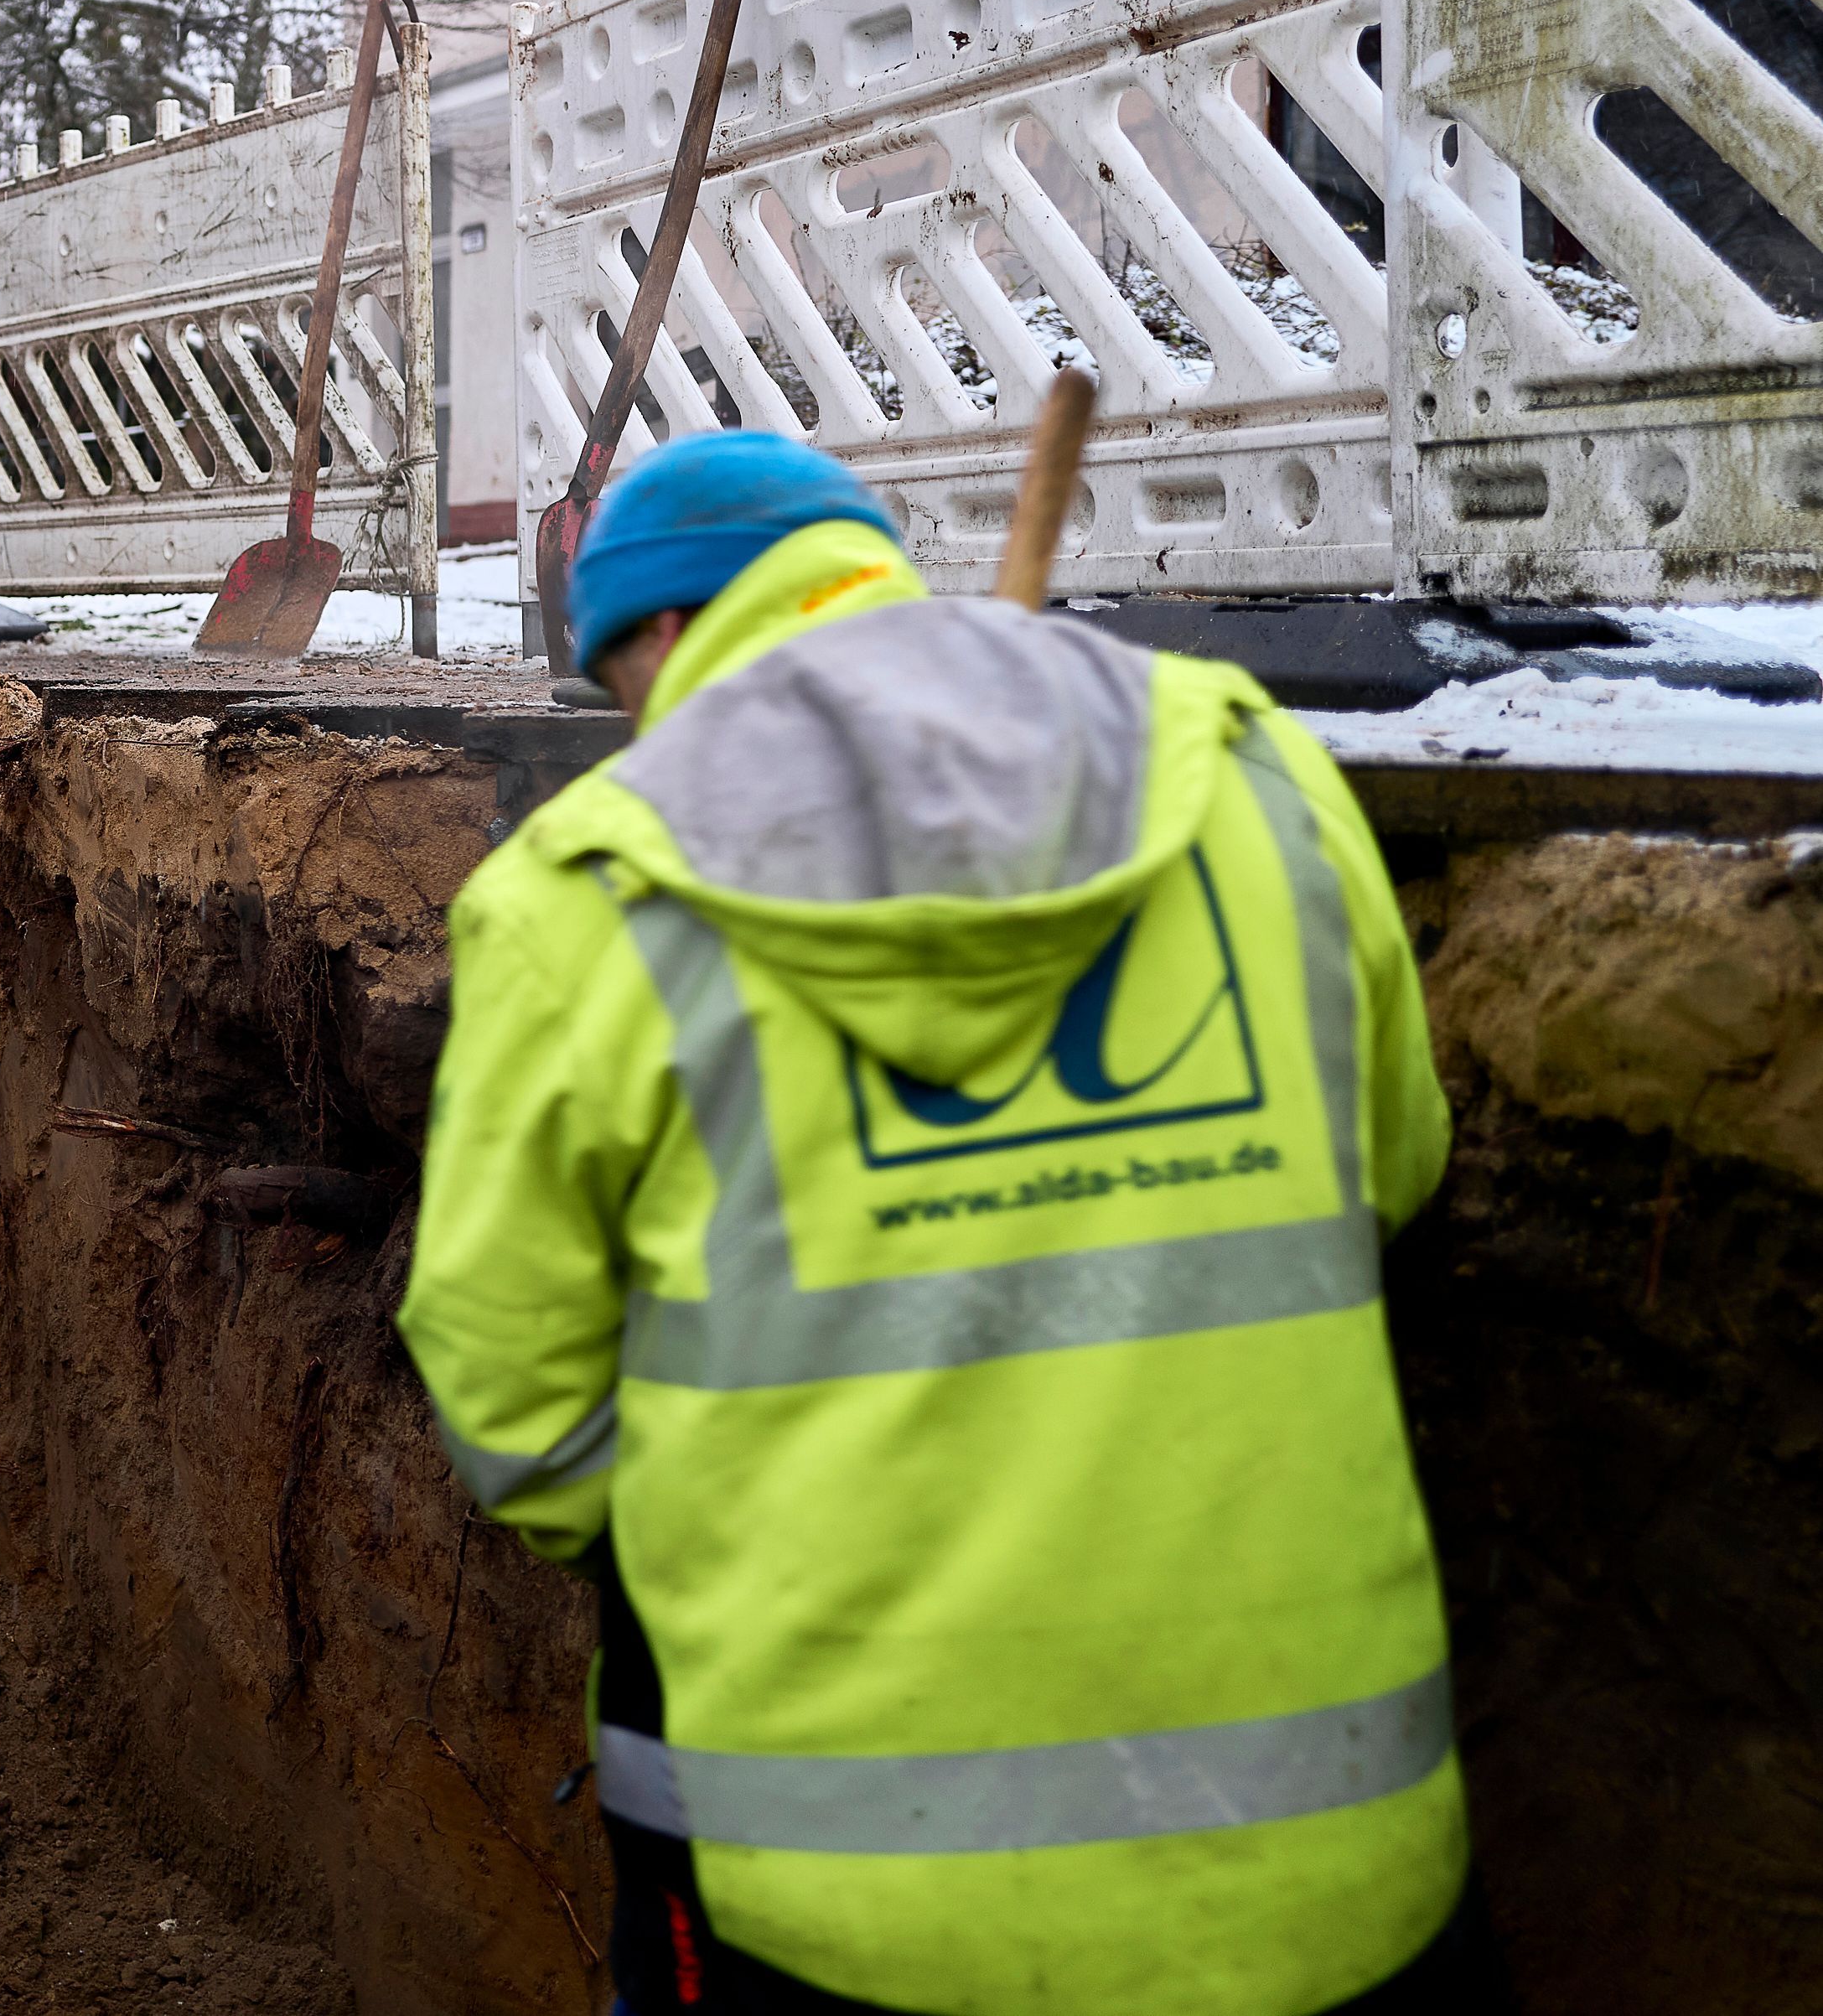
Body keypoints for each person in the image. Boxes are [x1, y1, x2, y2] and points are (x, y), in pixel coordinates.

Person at [400, 432, 1489, 2015]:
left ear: (664, 634)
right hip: (1335, 1888)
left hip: (840, 1910)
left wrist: (754, 1484)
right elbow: (1385, 1170)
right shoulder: (1255, 778)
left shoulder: (588, 895)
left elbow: (517, 1410)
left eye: (622, 691)